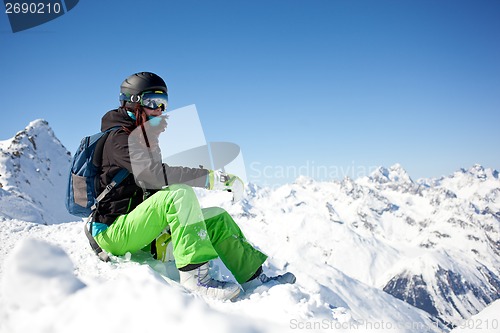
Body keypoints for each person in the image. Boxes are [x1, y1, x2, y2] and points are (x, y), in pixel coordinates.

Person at [91, 72, 295, 301]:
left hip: (141, 227)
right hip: (112, 232)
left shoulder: (143, 138)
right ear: (133, 102)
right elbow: (154, 175)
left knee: (217, 217)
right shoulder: (119, 139)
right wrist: (207, 179)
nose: (159, 109)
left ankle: (255, 281)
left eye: (163, 103)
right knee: (178, 194)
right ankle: (196, 279)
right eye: (152, 102)